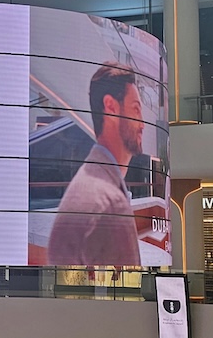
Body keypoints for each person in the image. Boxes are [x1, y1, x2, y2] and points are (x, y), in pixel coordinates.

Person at [47, 62, 145, 267]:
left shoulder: (86, 184)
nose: (143, 124)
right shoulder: (110, 204)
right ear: (111, 107)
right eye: (136, 110)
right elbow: (126, 293)